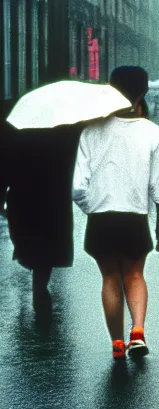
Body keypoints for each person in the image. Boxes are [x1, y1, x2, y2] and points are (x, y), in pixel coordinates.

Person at [73, 66, 159, 360]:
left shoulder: (91, 130)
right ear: (143, 92)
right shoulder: (153, 132)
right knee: (135, 274)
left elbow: (78, 187)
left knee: (110, 278)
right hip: (134, 216)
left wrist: (93, 207)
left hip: (101, 218)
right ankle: (137, 333)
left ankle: (117, 342)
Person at [3, 118, 83, 314]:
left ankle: (37, 284)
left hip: (22, 199)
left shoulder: (15, 129)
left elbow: (4, 165)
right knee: (45, 251)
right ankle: (39, 285)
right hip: (50, 199)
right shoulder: (64, 131)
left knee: (31, 246)